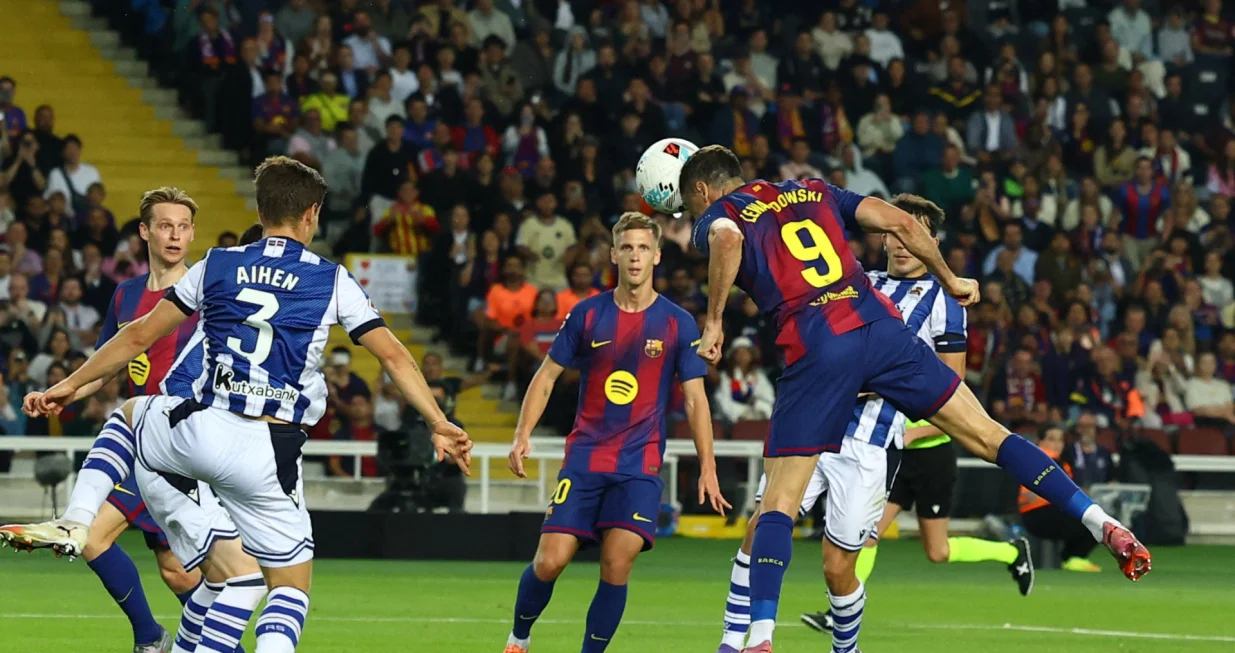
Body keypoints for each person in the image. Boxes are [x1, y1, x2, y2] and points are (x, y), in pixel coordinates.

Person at [680, 145, 1150, 653]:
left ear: (703, 190)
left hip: (817, 345)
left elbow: (727, 239)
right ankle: (1100, 521)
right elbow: (902, 221)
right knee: (990, 436)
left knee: (777, 503)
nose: (692, 214)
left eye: (689, 204)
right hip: (879, 330)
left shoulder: (719, 214)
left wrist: (714, 321)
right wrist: (950, 278)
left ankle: (761, 637)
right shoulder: (811, 189)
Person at [10, 157, 472, 653]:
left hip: (203, 429)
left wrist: (69, 385)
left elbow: (139, 335)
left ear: (260, 209)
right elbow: (394, 356)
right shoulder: (332, 280)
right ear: (312, 214)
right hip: (270, 454)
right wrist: (438, 421)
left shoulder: (216, 264)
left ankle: (77, 517)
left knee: (129, 416)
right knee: (287, 589)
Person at [719, 198, 1032, 650]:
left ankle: (846, 644)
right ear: (883, 237)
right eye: (896, 234)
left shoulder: (946, 301)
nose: (902, 244)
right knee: (763, 523)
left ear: (929, 243)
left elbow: (951, 385)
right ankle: (735, 641)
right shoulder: (856, 283)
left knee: (852, 565)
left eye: (912, 235)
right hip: (816, 428)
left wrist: (897, 408)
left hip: (881, 444)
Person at [1, 187, 259, 653]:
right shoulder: (126, 295)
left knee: (151, 559)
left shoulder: (207, 293)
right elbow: (107, 365)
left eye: (184, 227)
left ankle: (153, 637)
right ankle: (155, 637)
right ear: (145, 231)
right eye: (165, 225)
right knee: (163, 566)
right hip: (141, 440)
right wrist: (63, 392)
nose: (175, 235)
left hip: (184, 443)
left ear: (193, 234)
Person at [502, 212, 730, 653]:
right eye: (627, 247)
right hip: (585, 460)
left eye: (644, 248)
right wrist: (521, 434)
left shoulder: (678, 323)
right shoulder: (587, 314)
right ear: (613, 254)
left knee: (616, 563)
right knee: (549, 562)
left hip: (638, 466)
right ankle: (519, 637)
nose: (635, 256)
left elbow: (696, 400)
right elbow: (546, 376)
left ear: (657, 256)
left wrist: (708, 467)